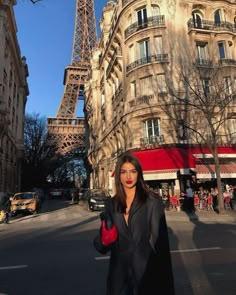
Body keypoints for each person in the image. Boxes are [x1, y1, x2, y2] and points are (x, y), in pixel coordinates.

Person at [93, 153, 175, 295]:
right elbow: (101, 247)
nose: (128, 177)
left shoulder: (152, 202)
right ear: (118, 175)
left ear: (139, 174)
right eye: (124, 172)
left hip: (146, 275)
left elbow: (162, 247)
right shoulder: (111, 204)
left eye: (133, 171)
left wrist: (167, 288)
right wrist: (104, 239)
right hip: (118, 278)